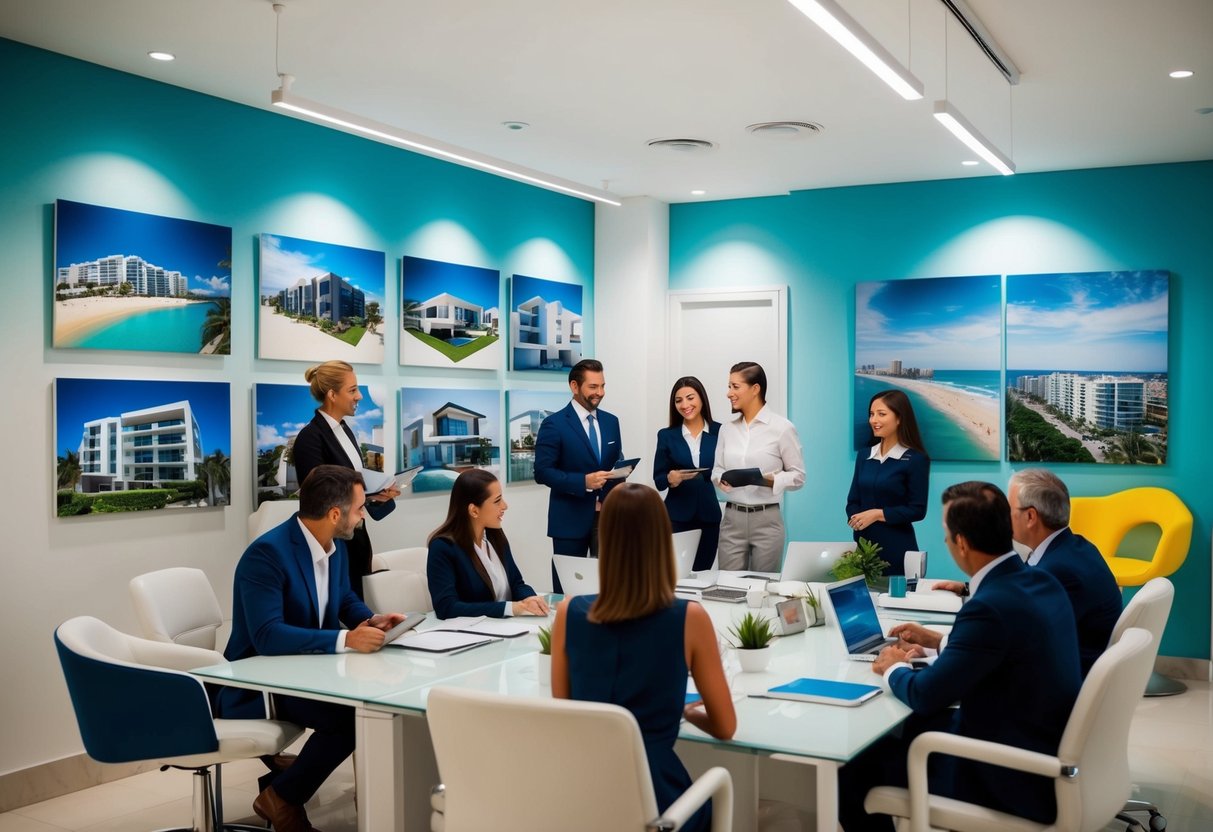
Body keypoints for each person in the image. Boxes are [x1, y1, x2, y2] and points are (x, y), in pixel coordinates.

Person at [838, 482, 1081, 831]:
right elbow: (1000, 649)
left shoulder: (989, 607)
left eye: (946, 534)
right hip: (1039, 746)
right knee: (905, 731)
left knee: (853, 769)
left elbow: (925, 695)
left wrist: (895, 667)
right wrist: (938, 644)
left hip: (1006, 778)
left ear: (962, 543)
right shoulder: (1041, 582)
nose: (946, 541)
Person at [218, 465, 406, 832]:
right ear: (335, 514)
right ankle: (281, 798)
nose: (363, 514)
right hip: (256, 684)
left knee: (369, 704)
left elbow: (343, 598)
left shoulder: (334, 547)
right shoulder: (267, 555)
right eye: (358, 508)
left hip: (306, 674)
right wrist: (346, 640)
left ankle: (288, 788)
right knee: (350, 717)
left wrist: (369, 620)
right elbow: (268, 637)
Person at [551, 483, 736, 832]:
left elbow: (565, 713)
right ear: (661, 536)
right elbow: (725, 727)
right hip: (657, 801)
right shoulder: (690, 618)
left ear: (606, 537)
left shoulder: (567, 612)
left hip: (584, 797)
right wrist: (683, 710)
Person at [936, 468, 1120, 676]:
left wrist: (939, 642)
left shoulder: (1057, 571)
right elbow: (1019, 593)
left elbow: (1009, 636)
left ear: (1031, 516)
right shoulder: (1074, 547)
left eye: (1009, 509)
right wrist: (967, 589)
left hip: (1062, 681)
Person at [293, 360, 400, 599]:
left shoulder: (345, 431)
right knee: (340, 612)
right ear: (332, 394)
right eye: (352, 390)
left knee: (357, 609)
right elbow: (318, 498)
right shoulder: (310, 438)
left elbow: (350, 489)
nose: (360, 396)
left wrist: (376, 495)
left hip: (357, 538)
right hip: (333, 544)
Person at [534, 358, 623, 591]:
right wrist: (582, 482)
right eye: (593, 387)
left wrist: (622, 473)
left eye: (602, 386)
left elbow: (615, 462)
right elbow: (542, 472)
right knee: (568, 590)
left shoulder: (612, 422)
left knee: (610, 587)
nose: (600, 393)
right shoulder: (553, 424)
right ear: (575, 386)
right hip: (569, 521)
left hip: (607, 519)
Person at [711, 361, 805, 572]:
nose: (729, 393)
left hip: (767, 521)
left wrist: (771, 480)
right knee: (728, 586)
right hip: (732, 520)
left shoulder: (782, 428)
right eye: (729, 386)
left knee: (762, 590)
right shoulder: (727, 430)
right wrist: (720, 480)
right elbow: (717, 469)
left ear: (755, 389)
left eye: (735, 387)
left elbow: (798, 477)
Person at [427, 469, 549, 619]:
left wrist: (529, 599)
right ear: (474, 510)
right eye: (497, 501)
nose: (505, 506)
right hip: (472, 635)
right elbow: (447, 608)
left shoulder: (495, 536)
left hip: (507, 628)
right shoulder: (443, 547)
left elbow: (516, 583)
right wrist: (511, 608)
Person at [845, 389, 930, 576]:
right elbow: (853, 501)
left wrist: (876, 515)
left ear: (899, 418)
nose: (873, 420)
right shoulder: (864, 455)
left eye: (881, 414)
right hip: (862, 547)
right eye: (871, 414)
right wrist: (855, 519)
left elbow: (917, 509)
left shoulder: (916, 459)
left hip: (897, 548)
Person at [653, 376, 722, 572]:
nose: (685, 405)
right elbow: (658, 480)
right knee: (675, 575)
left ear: (701, 398)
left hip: (709, 517)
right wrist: (669, 478)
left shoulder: (720, 431)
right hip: (676, 517)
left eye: (690, 398)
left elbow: (725, 470)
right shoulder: (666, 435)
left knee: (703, 575)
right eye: (679, 400)